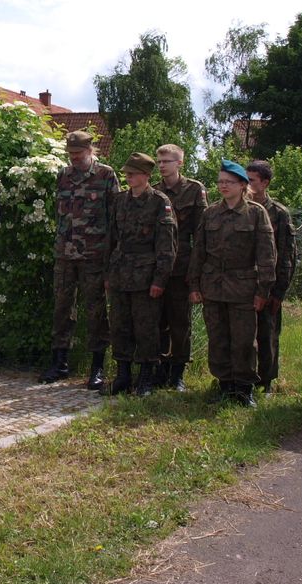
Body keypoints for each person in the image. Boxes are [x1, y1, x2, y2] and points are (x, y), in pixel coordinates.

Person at [188, 159, 275, 407]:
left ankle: (244, 389)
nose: (223, 186)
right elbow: (199, 252)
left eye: (229, 182)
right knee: (218, 339)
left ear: (242, 185)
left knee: (244, 341)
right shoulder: (210, 213)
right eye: (220, 182)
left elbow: (267, 255)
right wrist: (194, 285)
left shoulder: (256, 213)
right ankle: (224, 385)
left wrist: (263, 290)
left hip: (243, 288)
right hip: (213, 286)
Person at [38, 130, 119, 389]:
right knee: (62, 308)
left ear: (90, 150)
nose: (73, 157)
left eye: (78, 153)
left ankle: (97, 367)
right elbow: (58, 214)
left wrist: (111, 256)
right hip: (64, 254)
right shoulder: (63, 175)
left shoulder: (105, 175)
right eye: (70, 153)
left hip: (94, 256)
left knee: (96, 311)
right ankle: (59, 363)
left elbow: (115, 217)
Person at [104, 153, 176, 396]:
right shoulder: (120, 200)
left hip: (146, 275)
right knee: (119, 326)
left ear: (146, 175)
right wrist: (108, 274)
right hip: (120, 272)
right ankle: (123, 375)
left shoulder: (159, 202)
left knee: (146, 328)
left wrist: (160, 279)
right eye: (127, 173)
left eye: (133, 173)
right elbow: (112, 238)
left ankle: (146, 377)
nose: (129, 177)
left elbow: (166, 245)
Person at [152, 143, 207, 391]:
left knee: (180, 323)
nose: (162, 165)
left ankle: (178, 373)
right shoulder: (154, 191)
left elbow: (201, 234)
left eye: (167, 161)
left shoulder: (194, 190)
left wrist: (195, 272)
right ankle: (160, 369)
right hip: (158, 266)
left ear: (179, 163)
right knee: (157, 320)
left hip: (182, 266)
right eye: (160, 161)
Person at [246, 160, 298, 393]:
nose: (247, 184)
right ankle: (244, 377)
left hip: (268, 284)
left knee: (267, 334)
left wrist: (279, 291)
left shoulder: (278, 213)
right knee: (243, 334)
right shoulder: (240, 208)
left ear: (265, 183)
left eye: (251, 180)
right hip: (242, 283)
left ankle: (266, 381)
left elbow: (287, 255)